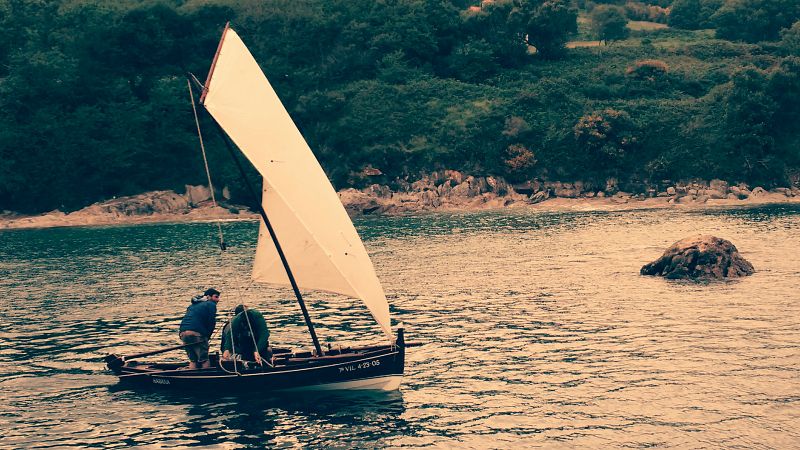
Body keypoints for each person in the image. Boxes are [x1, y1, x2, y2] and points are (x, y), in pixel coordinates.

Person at [178, 288, 221, 369]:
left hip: (183, 333)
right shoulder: (211, 304)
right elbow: (211, 322)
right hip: (196, 334)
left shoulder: (192, 305)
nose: (218, 300)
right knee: (204, 359)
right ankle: (207, 379)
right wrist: (207, 337)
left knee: (193, 360)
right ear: (208, 297)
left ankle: (192, 378)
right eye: (216, 297)